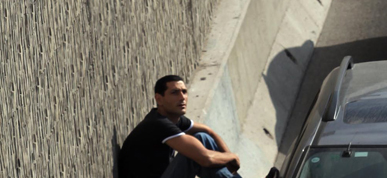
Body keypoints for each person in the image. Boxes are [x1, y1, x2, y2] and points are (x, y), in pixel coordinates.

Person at [118, 75, 279, 178]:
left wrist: (228, 159)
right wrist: (233, 157)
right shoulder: (158, 124)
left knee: (202, 138)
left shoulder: (175, 120)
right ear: (159, 99)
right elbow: (206, 159)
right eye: (175, 93)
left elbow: (207, 131)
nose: (182, 97)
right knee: (193, 157)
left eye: (184, 92)